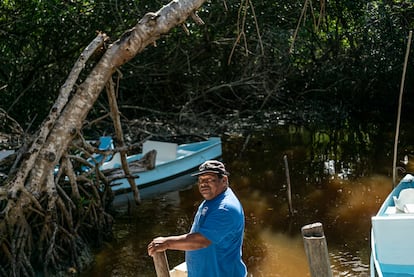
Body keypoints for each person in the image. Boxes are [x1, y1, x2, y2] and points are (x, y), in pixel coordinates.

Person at [147, 160, 247, 277]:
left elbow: (202, 240)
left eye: (209, 179)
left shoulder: (225, 208)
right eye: (200, 180)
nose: (203, 184)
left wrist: (167, 243)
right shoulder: (212, 200)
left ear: (224, 180)